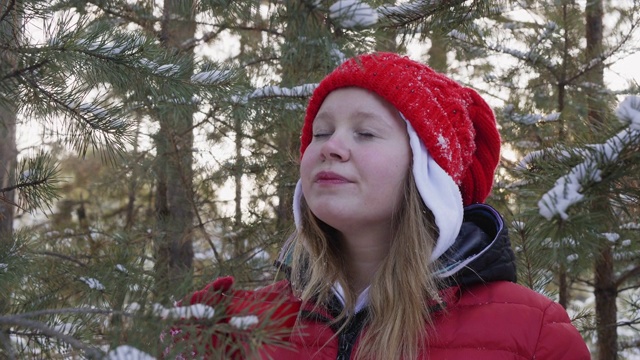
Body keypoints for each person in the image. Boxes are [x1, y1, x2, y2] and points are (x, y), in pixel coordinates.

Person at [163, 52, 591, 359]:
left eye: (365, 133)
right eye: (321, 132)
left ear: (427, 173)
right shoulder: (233, 326)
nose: (332, 147)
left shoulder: (532, 333)